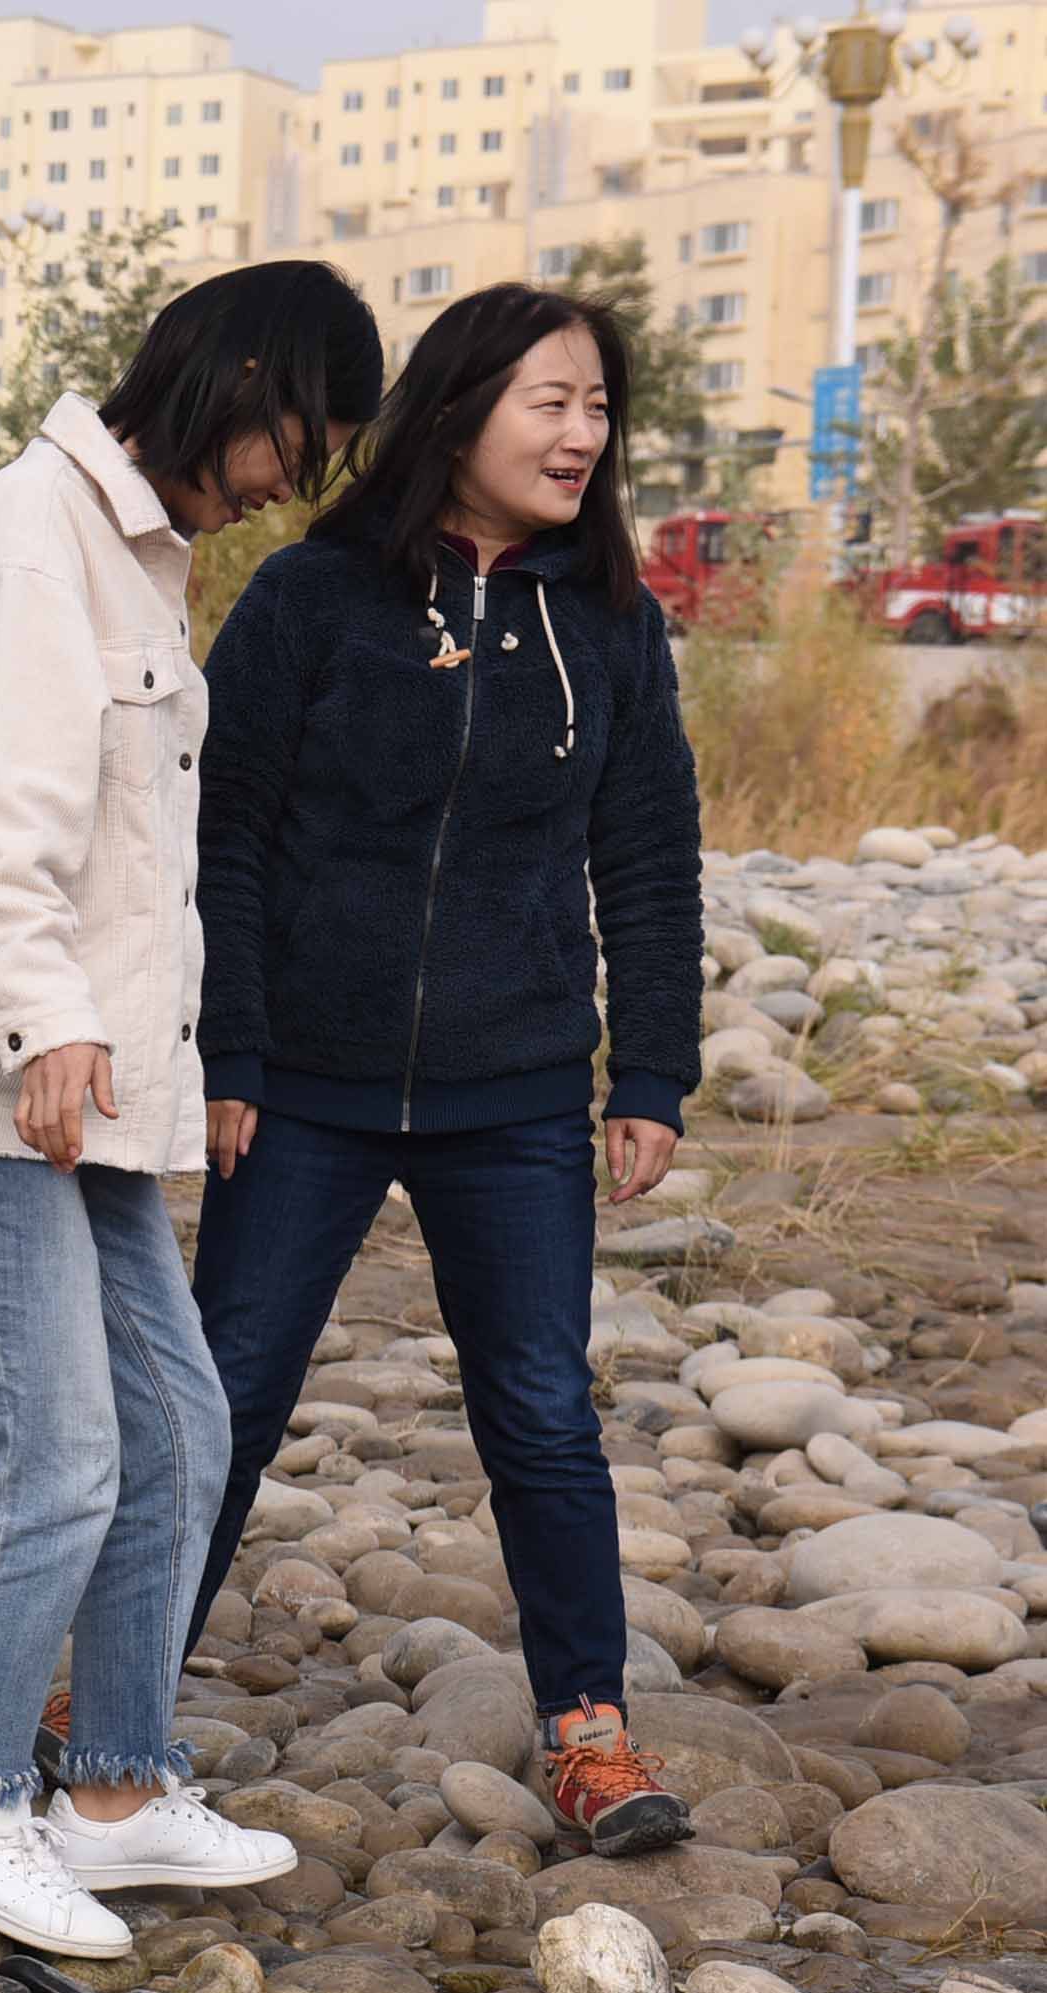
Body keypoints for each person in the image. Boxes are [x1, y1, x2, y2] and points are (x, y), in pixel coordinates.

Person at [0, 263, 383, 1958]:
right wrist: (50, 1024)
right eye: (299, 438)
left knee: (182, 1429)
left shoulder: (130, 552)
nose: (288, 480)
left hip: (79, 1086)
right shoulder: (35, 540)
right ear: (238, 381)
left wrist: (153, 1067)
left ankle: (115, 1794)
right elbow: (11, 823)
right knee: (61, 1450)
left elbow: (139, 867)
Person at [186, 285, 702, 1856]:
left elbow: (650, 855)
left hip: (521, 1093)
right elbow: (229, 838)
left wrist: (652, 1072)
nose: (580, 434)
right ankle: (111, 1693)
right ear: (460, 405)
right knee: (225, 1397)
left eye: (599, 407)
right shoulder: (312, 596)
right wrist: (231, 1047)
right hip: (307, 1088)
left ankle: (589, 1735)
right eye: (550, 400)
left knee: (542, 1414)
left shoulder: (608, 621)